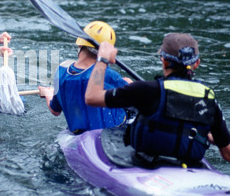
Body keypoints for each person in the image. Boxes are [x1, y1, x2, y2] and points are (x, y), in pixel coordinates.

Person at [85, 33, 230, 163]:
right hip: (189, 167)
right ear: (196, 63)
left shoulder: (145, 90)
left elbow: (92, 97)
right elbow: (227, 153)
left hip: (148, 164)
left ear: (164, 60)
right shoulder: (208, 97)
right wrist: (209, 136)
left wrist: (102, 59)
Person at [39, 21, 132, 134]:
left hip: (77, 136)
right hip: (110, 135)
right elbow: (134, 97)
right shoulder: (108, 75)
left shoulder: (61, 72)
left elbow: (55, 111)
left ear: (79, 45)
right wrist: (129, 83)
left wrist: (48, 94)